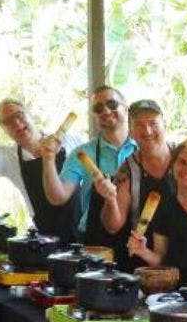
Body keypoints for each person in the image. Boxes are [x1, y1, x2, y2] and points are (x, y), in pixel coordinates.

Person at [0, 85, 83, 245]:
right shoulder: (9, 158)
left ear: (29, 115)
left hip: (85, 234)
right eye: (8, 122)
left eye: (19, 115)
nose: (17, 123)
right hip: (47, 243)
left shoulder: (70, 141)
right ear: (4, 130)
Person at [40, 85, 137, 248]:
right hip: (95, 241)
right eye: (98, 108)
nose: (105, 111)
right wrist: (48, 159)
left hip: (137, 238)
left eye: (112, 104)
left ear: (126, 106)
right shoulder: (82, 153)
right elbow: (58, 197)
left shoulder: (144, 148)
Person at [95, 99, 174, 271]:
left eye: (153, 123)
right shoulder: (128, 169)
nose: (147, 130)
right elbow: (113, 226)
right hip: (143, 260)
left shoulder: (183, 157)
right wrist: (110, 200)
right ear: (130, 130)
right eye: (139, 124)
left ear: (164, 124)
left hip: (186, 253)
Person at [127, 138, 187, 284]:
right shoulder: (163, 205)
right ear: (172, 164)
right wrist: (143, 251)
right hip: (175, 289)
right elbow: (161, 261)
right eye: (183, 162)